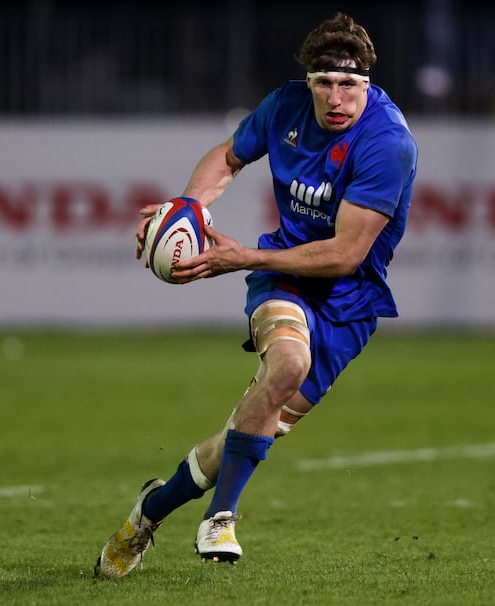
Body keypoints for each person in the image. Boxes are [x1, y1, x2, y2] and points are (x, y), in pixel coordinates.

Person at [94, 12, 418, 579]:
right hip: (285, 278)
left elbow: (345, 255)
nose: (336, 98)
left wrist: (242, 256)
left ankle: (148, 512)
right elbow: (227, 157)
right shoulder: (285, 106)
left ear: (367, 83)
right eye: (324, 84)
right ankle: (222, 517)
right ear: (309, 82)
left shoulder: (387, 144)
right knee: (288, 362)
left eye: (349, 86)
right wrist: (191, 206)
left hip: (349, 300)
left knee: (241, 434)